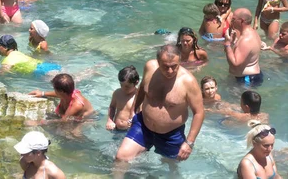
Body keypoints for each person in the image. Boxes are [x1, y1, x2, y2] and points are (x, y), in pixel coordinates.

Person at [114, 45, 204, 176]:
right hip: (143, 124)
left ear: (180, 62)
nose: (170, 70)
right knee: (121, 158)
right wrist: (133, 111)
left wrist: (189, 143)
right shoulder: (150, 67)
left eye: (174, 66)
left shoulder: (188, 81)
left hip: (171, 134)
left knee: (171, 170)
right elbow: (142, 89)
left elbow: (199, 112)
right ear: (158, 62)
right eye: (165, 66)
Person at [29, 73, 94, 120]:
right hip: (69, 113)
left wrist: (38, 122)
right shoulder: (67, 93)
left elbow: (63, 121)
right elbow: (57, 94)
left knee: (71, 134)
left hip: (87, 120)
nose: (54, 90)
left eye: (54, 88)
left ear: (61, 92)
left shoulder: (76, 105)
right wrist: (42, 93)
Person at [223, 8, 263, 86]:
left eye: (233, 19)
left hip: (246, 80)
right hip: (247, 77)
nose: (231, 22)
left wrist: (227, 44)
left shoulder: (246, 39)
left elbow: (235, 63)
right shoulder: (252, 33)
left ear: (241, 21)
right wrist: (232, 43)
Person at [106, 66, 139, 131]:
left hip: (130, 130)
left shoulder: (138, 97)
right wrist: (110, 120)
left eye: (127, 86)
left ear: (136, 83)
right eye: (121, 85)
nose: (123, 88)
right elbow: (112, 107)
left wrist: (135, 122)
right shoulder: (117, 93)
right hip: (115, 128)